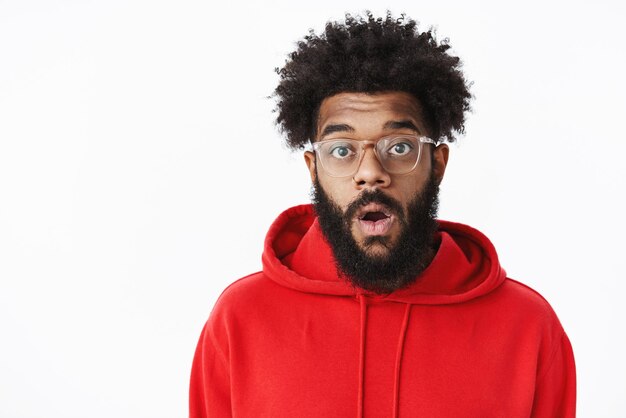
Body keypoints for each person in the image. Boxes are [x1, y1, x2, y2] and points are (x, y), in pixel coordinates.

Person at [189, 12, 576, 418]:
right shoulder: (241, 319)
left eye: (399, 147)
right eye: (342, 150)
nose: (371, 173)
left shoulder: (527, 327)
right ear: (313, 168)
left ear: (437, 164)